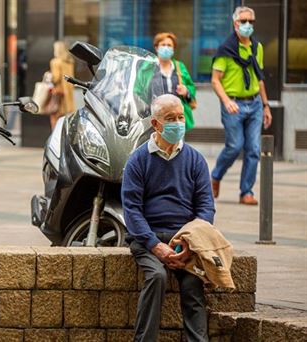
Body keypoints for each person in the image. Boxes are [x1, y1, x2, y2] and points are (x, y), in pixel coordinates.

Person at [122, 94, 215, 342]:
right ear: (155, 124)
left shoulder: (195, 160)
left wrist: (189, 242)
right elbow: (131, 209)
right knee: (157, 277)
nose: (177, 123)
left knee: (193, 284)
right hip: (147, 240)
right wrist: (156, 245)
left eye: (181, 117)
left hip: (185, 239)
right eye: (170, 119)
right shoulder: (138, 160)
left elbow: (206, 206)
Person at [211, 6, 272, 205]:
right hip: (233, 104)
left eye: (250, 22)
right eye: (243, 21)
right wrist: (226, 101)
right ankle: (216, 176)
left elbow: (259, 78)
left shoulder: (257, 48)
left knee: (254, 149)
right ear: (235, 23)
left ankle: (247, 192)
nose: (247, 25)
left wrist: (265, 105)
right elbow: (215, 80)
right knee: (234, 146)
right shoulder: (225, 50)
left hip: (254, 103)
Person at [153, 32, 197, 131]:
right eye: (163, 45)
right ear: (156, 47)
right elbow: (138, 91)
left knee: (177, 144)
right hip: (156, 116)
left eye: (169, 45)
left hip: (176, 117)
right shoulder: (148, 68)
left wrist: (186, 91)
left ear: (173, 49)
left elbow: (191, 88)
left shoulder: (179, 67)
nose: (166, 48)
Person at [48, 41, 75, 129]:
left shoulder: (55, 62)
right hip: (68, 96)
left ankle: (55, 140)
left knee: (55, 121)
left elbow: (55, 78)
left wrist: (48, 76)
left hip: (58, 96)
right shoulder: (69, 62)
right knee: (65, 122)